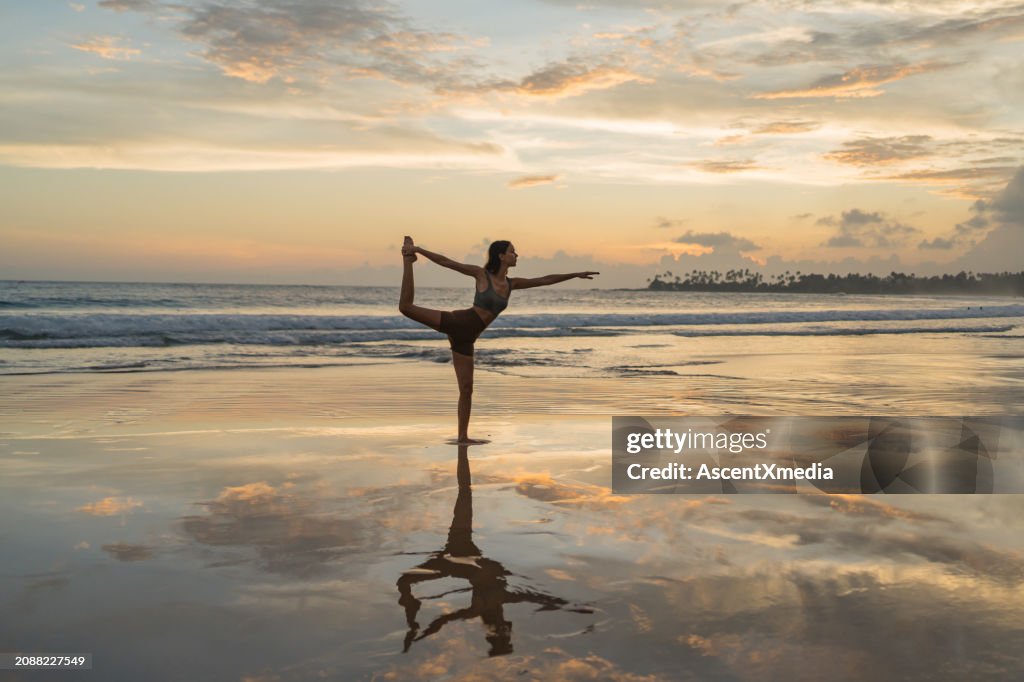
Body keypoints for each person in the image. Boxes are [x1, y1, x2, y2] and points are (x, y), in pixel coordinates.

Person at [399, 236, 599, 444]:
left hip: (467, 340)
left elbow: (543, 280)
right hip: (457, 322)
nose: (516, 255)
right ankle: (408, 261)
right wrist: (418, 249)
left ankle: (462, 437)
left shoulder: (512, 284)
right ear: (501, 256)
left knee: (467, 389)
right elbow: (447, 262)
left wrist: (574, 275)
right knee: (406, 307)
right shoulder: (481, 274)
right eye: (513, 251)